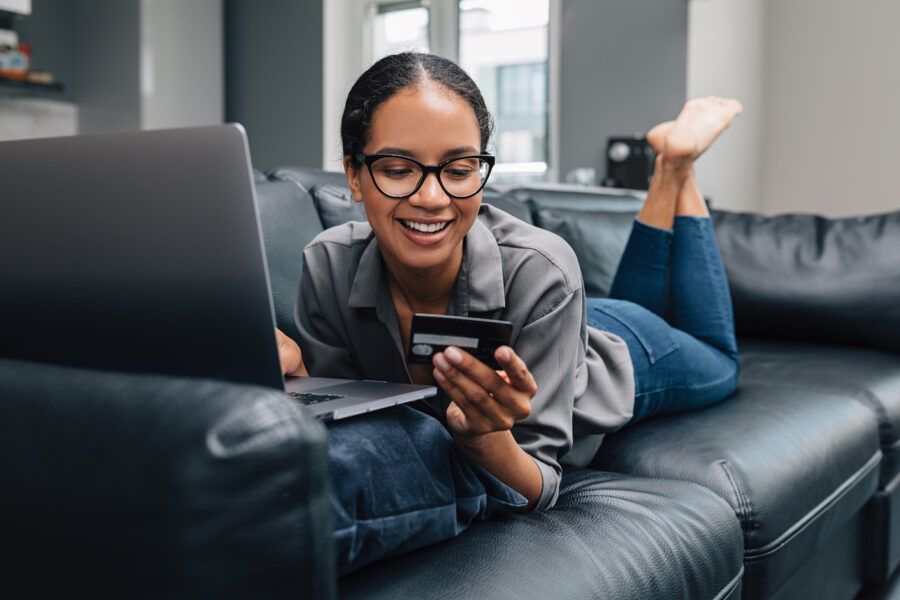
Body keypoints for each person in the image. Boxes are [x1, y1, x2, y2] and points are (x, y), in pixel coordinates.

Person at [274, 52, 742, 573]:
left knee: (721, 359)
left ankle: (677, 165)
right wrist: (294, 371)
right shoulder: (327, 265)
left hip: (620, 355)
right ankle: (669, 170)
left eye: (458, 169)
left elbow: (539, 486)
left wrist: (485, 437)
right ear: (355, 177)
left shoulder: (544, 267)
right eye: (398, 169)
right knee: (636, 299)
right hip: (566, 315)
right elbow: (350, 412)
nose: (432, 197)